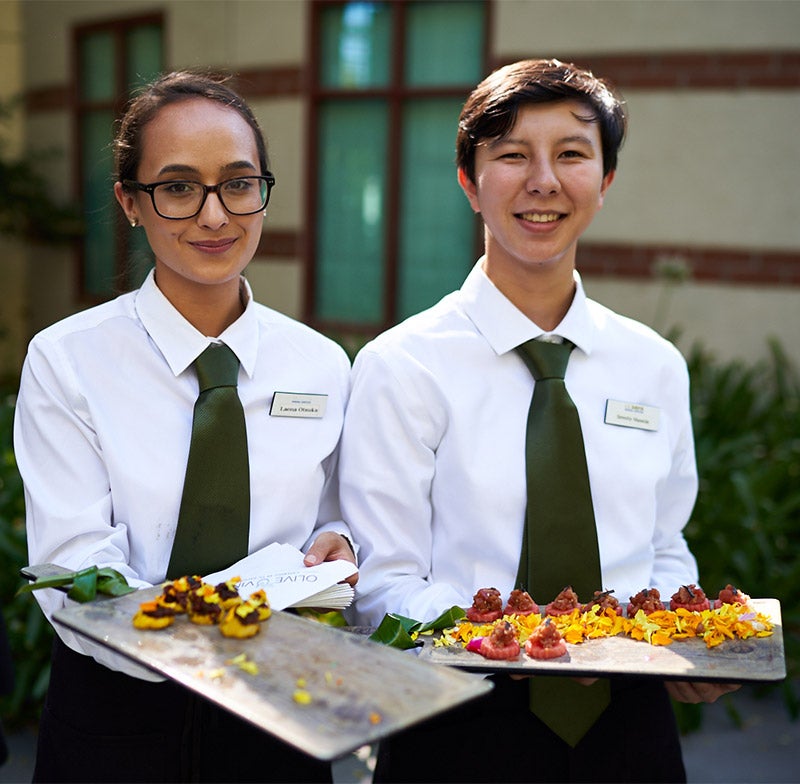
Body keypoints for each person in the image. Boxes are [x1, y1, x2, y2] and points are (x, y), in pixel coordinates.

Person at [339, 59, 738, 783]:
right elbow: (381, 584)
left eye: (573, 154)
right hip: (452, 722)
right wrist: (520, 640)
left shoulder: (653, 364)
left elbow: (662, 544)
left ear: (606, 181)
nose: (544, 181)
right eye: (512, 155)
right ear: (469, 181)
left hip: (631, 727)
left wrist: (687, 637)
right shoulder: (404, 365)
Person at [14, 70, 356, 783]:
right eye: (177, 187)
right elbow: (77, 569)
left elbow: (336, 519)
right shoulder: (68, 359)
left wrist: (338, 545)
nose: (214, 215)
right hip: (117, 722)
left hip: (280, 716)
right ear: (130, 203)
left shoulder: (322, 365)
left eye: (238, 183)